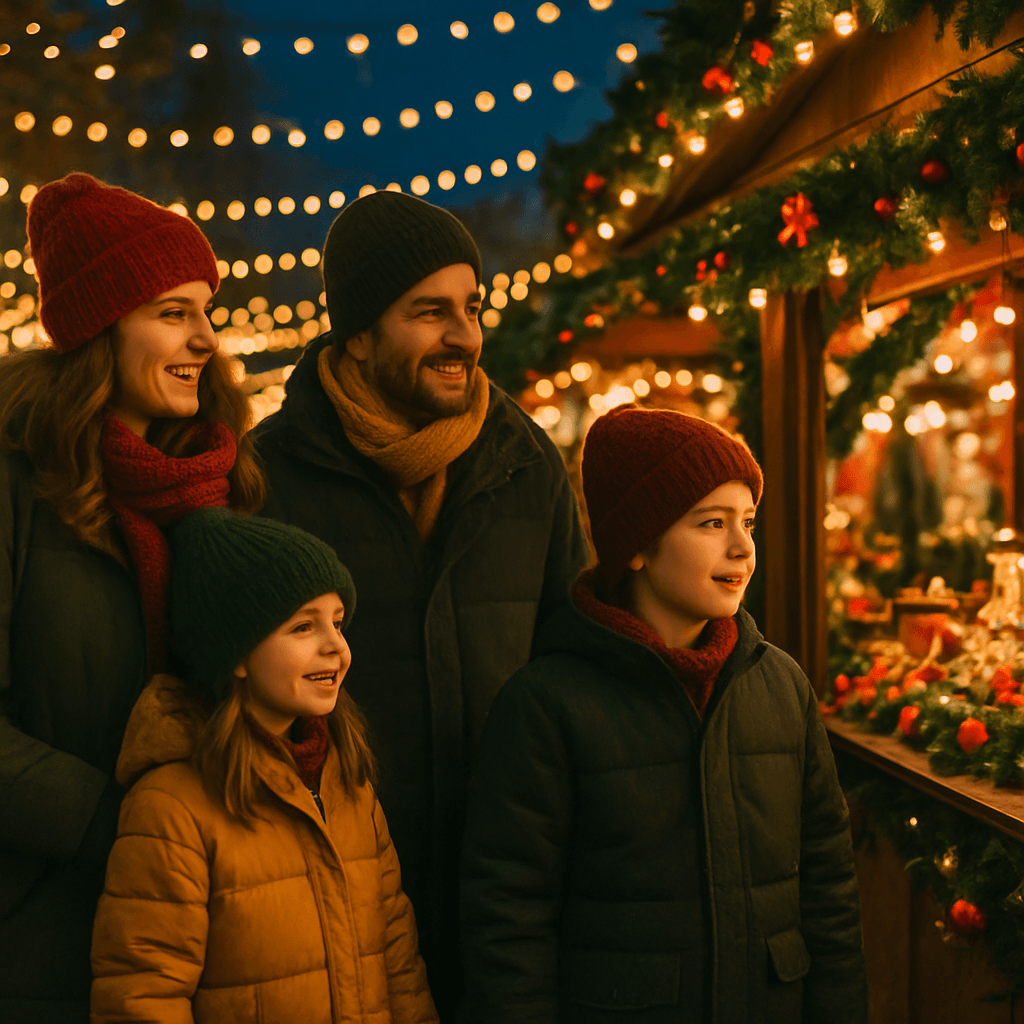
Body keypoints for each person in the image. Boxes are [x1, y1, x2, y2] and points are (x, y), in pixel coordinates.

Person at [253, 189, 588, 1015]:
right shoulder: (269, 477)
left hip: (509, 897)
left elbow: (574, 660)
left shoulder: (525, 463)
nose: (464, 336)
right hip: (336, 901)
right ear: (359, 334)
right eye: (428, 312)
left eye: (471, 307)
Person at [461, 405, 868, 1024]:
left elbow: (829, 891)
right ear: (638, 545)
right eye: (712, 523)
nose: (741, 547)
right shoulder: (546, 705)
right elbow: (508, 916)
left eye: (748, 523)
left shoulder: (780, 686)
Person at [0, 173, 263, 1024]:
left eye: (204, 310)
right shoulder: (18, 484)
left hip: (211, 937)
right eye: (172, 312)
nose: (205, 338)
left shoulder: (223, 484)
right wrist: (112, 824)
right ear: (99, 328)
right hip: (46, 935)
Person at [91, 509, 437, 1024]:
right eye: (303, 626)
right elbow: (141, 1000)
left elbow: (400, 968)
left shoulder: (350, 786)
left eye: (337, 622)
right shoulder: (171, 808)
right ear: (236, 654)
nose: (335, 646)